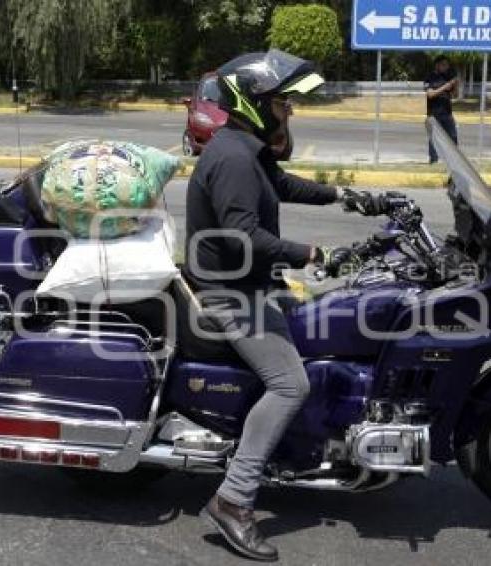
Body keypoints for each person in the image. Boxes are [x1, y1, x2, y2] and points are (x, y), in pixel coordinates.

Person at [184, 49, 372, 561]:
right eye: (284, 101)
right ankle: (233, 498)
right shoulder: (233, 158)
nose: (291, 109)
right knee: (291, 383)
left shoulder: (247, 148)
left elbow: (282, 185)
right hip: (230, 293)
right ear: (256, 101)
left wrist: (347, 197)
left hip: (252, 284)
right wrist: (314, 254)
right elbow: (244, 234)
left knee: (337, 323)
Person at [424, 56, 459, 163]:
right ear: (437, 65)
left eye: (447, 65)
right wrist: (445, 87)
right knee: (434, 138)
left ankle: (455, 160)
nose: (446, 67)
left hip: (447, 113)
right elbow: (430, 94)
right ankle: (433, 160)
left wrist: (455, 86)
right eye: (444, 64)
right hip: (434, 113)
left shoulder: (448, 77)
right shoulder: (430, 77)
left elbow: (455, 95)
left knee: (453, 136)